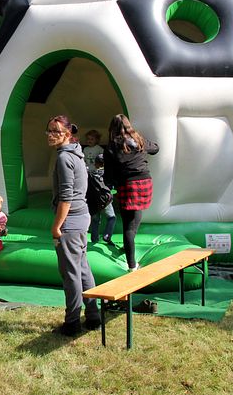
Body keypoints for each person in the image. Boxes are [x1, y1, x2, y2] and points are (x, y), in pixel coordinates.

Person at [47, 115, 100, 336]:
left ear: (67, 134)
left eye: (56, 132)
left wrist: (57, 226)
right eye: (48, 131)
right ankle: (93, 315)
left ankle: (72, 323)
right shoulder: (76, 153)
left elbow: (66, 197)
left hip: (71, 221)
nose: (50, 135)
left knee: (71, 274)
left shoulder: (64, 158)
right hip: (82, 217)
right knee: (82, 269)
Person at [103, 114, 159, 272]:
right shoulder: (139, 139)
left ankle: (131, 265)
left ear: (112, 129)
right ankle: (129, 246)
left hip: (128, 185)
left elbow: (108, 176)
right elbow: (155, 148)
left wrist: (109, 186)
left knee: (128, 226)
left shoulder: (111, 147)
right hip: (145, 182)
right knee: (135, 220)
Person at [89, 154, 116, 244]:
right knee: (112, 218)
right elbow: (112, 187)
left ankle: (94, 239)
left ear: (96, 163)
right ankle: (107, 235)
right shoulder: (108, 174)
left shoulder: (90, 173)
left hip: (93, 200)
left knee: (95, 220)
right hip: (105, 200)